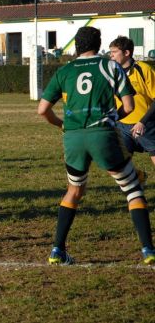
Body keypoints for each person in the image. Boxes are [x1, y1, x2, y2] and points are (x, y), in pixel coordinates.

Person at [38, 26, 155, 265]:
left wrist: (63, 125)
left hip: (73, 138)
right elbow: (130, 106)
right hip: (102, 134)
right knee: (132, 188)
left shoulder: (65, 70)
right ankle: (148, 250)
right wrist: (113, 118)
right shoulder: (109, 66)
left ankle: (57, 250)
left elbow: (42, 110)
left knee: (74, 190)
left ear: (76, 45)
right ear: (98, 45)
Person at [109, 36, 154, 181]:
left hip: (147, 125)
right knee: (116, 165)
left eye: (114, 52)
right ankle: (139, 177)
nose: (111, 55)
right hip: (122, 126)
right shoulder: (112, 73)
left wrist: (143, 122)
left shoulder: (143, 69)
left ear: (127, 53)